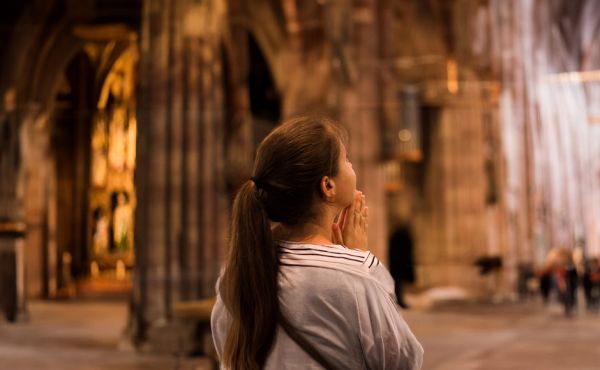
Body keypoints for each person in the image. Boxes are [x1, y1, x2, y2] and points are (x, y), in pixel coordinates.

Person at [211, 117, 423, 370]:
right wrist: (360, 260)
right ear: (328, 185)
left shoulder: (236, 274)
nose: (351, 165)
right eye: (345, 159)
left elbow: (226, 348)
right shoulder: (356, 277)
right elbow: (403, 361)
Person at [388, 223, 415, 308]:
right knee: (398, 283)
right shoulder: (399, 237)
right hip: (399, 264)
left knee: (398, 283)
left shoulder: (398, 236)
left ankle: (398, 300)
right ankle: (398, 300)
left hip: (398, 264)